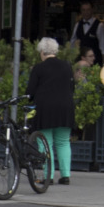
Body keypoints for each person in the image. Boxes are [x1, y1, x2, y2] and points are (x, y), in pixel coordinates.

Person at [26, 37, 75, 185]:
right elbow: (72, 88)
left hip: (45, 109)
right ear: (55, 51)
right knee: (63, 142)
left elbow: (31, 91)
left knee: (45, 142)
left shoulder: (39, 68)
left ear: (42, 52)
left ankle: (49, 176)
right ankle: (66, 176)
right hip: (65, 108)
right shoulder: (67, 66)